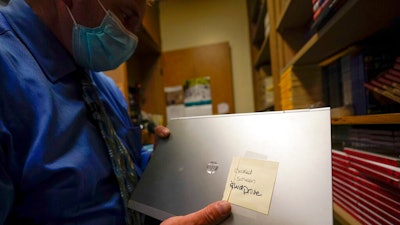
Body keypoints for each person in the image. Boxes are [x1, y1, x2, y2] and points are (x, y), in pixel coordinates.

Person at [0, 0, 231, 224]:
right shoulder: (7, 73)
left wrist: (158, 163)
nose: (131, 38)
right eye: (125, 16)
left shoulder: (103, 86)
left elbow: (116, 169)